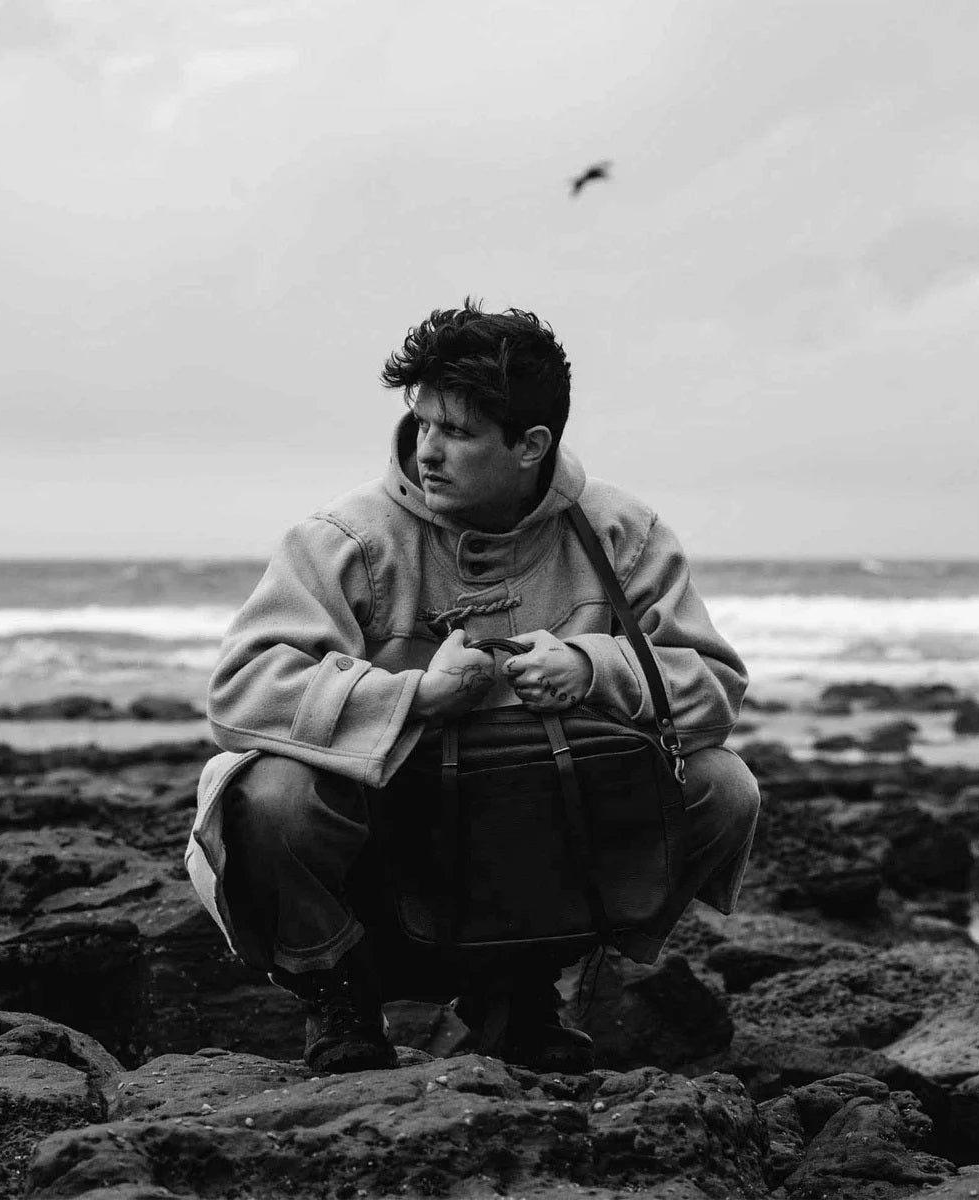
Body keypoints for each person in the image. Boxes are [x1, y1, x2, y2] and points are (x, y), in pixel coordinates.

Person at [186, 301, 759, 1075]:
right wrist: (414, 696)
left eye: (456, 432)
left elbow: (714, 687)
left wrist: (592, 666)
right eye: (422, 422)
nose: (427, 450)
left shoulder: (621, 533)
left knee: (723, 790)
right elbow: (241, 688)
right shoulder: (347, 539)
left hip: (540, 826)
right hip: (389, 835)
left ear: (531, 445)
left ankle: (526, 980)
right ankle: (338, 989)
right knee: (269, 796)